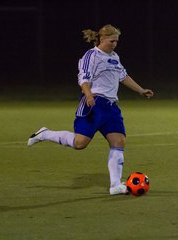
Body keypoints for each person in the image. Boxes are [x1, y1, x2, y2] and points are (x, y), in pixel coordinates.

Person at [27, 24, 154, 195]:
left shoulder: (114, 57)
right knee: (80, 144)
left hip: (111, 107)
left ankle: (115, 185)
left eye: (117, 41)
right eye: (112, 41)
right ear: (102, 38)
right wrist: (88, 95)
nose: (115, 44)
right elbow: (83, 78)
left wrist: (140, 90)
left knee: (119, 142)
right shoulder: (91, 55)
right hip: (94, 103)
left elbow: (123, 76)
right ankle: (44, 134)